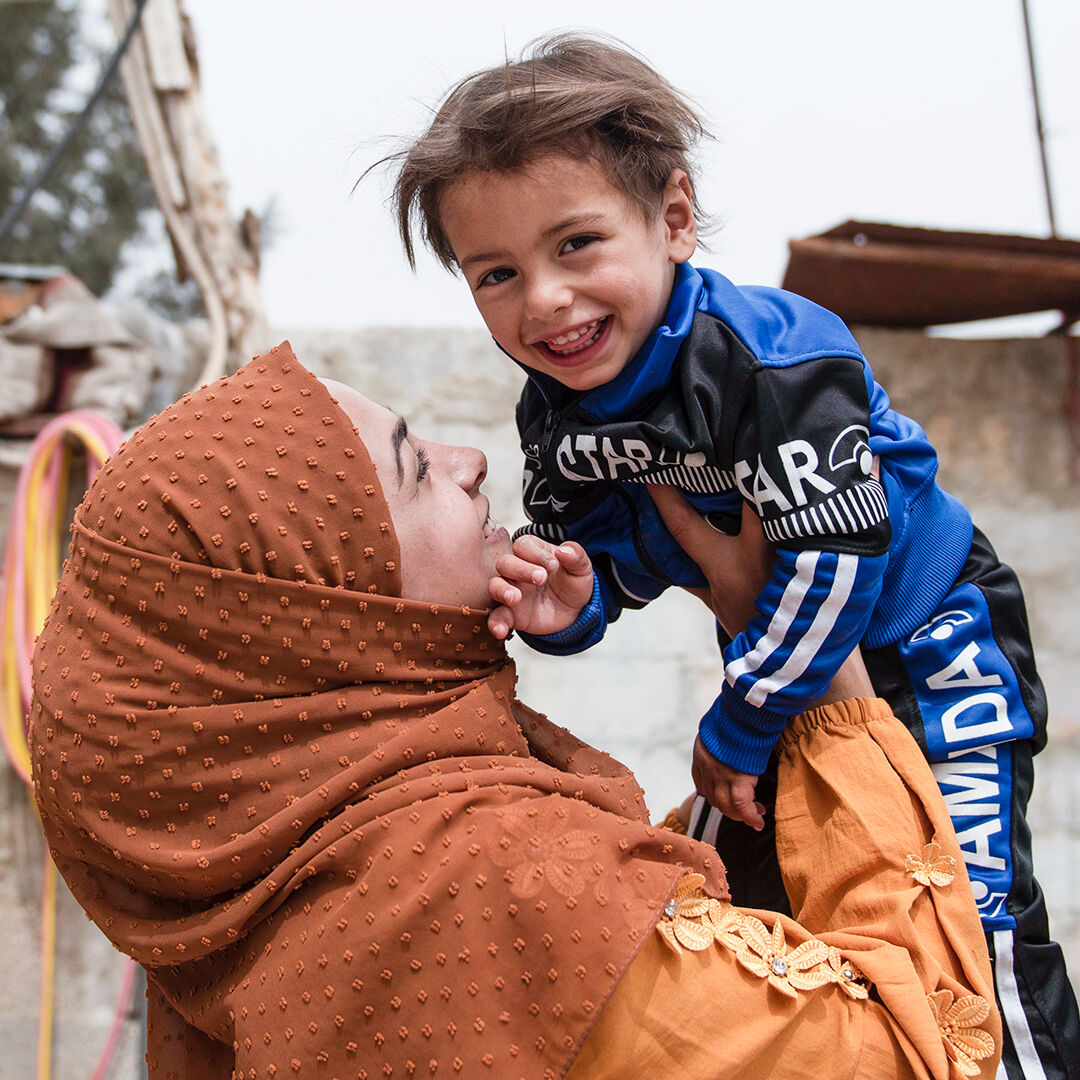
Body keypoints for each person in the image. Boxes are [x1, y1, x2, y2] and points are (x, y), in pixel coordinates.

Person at [386, 34, 1079, 1076]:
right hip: (775, 659)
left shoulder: (776, 354)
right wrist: (572, 603)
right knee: (710, 887)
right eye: (498, 273)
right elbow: (620, 558)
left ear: (672, 218)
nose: (545, 301)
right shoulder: (558, 409)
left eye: (576, 245)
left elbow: (838, 559)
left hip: (932, 648)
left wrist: (741, 726)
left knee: (968, 934)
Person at [29, 344, 1001, 1078]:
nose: (468, 461)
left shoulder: (269, 876)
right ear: (337, 613)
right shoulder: (482, 895)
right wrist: (815, 668)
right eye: (416, 469)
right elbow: (923, 1051)